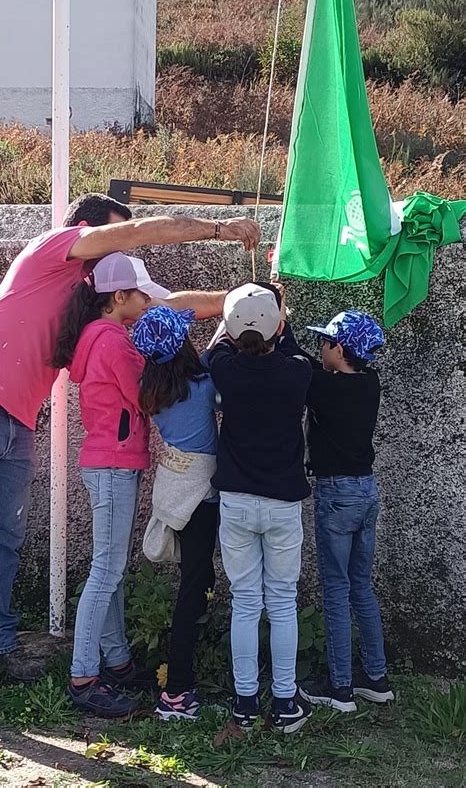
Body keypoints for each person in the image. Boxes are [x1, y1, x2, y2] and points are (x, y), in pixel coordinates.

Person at [0, 192, 259, 674]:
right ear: (88, 233)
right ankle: (85, 671)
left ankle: (0, 646)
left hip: (18, 418)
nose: (124, 253)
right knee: (101, 568)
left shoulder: (97, 299)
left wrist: (247, 303)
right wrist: (219, 229)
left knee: (5, 537)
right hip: (3, 409)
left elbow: (168, 307)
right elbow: (137, 236)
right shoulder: (50, 250)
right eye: (113, 243)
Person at [53, 253, 170, 716]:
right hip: (114, 463)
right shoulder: (114, 343)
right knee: (106, 570)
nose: (146, 302)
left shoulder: (96, 337)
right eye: (141, 295)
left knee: (112, 567)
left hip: (109, 461)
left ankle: (117, 662)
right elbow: (147, 396)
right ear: (117, 297)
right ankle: (84, 675)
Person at [208, 284, 313, 734]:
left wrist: (236, 318)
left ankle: (245, 703)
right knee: (283, 602)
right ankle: (286, 700)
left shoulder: (223, 368)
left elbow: (218, 346)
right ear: (280, 326)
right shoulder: (298, 371)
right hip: (283, 502)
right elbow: (288, 346)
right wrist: (278, 310)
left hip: (235, 501)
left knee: (246, 603)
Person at [287, 310, 394, 712]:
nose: (320, 347)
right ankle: (376, 677)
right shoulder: (370, 383)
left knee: (335, 589)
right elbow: (314, 365)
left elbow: (297, 359)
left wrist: (282, 321)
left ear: (339, 348)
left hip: (337, 494)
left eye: (326, 341)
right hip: (367, 490)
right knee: (361, 586)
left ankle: (341, 686)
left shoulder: (325, 389)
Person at [132, 305, 220, 721]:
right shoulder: (202, 386)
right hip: (201, 497)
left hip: (177, 491)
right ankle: (177, 690)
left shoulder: (153, 389)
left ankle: (181, 681)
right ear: (184, 344)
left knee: (194, 580)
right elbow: (214, 360)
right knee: (195, 588)